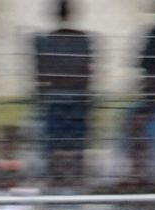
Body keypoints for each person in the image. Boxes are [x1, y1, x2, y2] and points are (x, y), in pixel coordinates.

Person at [33, 0, 93, 188]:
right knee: (75, 141)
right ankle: (75, 176)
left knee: (55, 141)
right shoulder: (83, 39)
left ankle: (56, 177)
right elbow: (88, 70)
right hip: (76, 96)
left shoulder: (46, 40)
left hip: (57, 96)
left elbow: (41, 72)